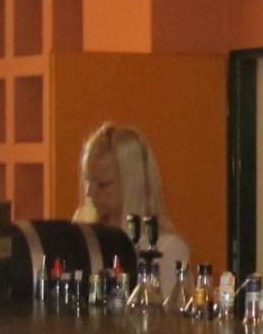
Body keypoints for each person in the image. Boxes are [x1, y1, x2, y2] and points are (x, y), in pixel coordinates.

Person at [71, 122, 191, 285]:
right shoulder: (84, 236)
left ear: (133, 184)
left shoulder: (167, 249)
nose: (89, 192)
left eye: (103, 184)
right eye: (87, 181)